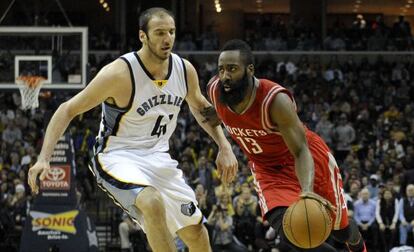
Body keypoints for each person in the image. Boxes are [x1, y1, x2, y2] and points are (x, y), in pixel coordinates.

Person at [27, 7, 238, 252]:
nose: (167, 38)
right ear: (143, 36)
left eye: (171, 31)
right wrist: (44, 158)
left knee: (197, 234)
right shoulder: (119, 73)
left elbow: (202, 109)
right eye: (159, 33)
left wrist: (224, 146)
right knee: (152, 201)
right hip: (117, 156)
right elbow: (67, 109)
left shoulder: (184, 69)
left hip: (158, 158)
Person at [205, 39, 366, 251]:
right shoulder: (216, 92)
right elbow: (213, 116)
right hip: (267, 170)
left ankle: (358, 246)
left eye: (232, 69)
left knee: (340, 231)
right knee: (294, 232)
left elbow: (301, 151)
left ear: (250, 70)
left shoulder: (275, 102)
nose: (225, 76)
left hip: (307, 159)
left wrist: (307, 191)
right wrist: (221, 140)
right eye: (221, 69)